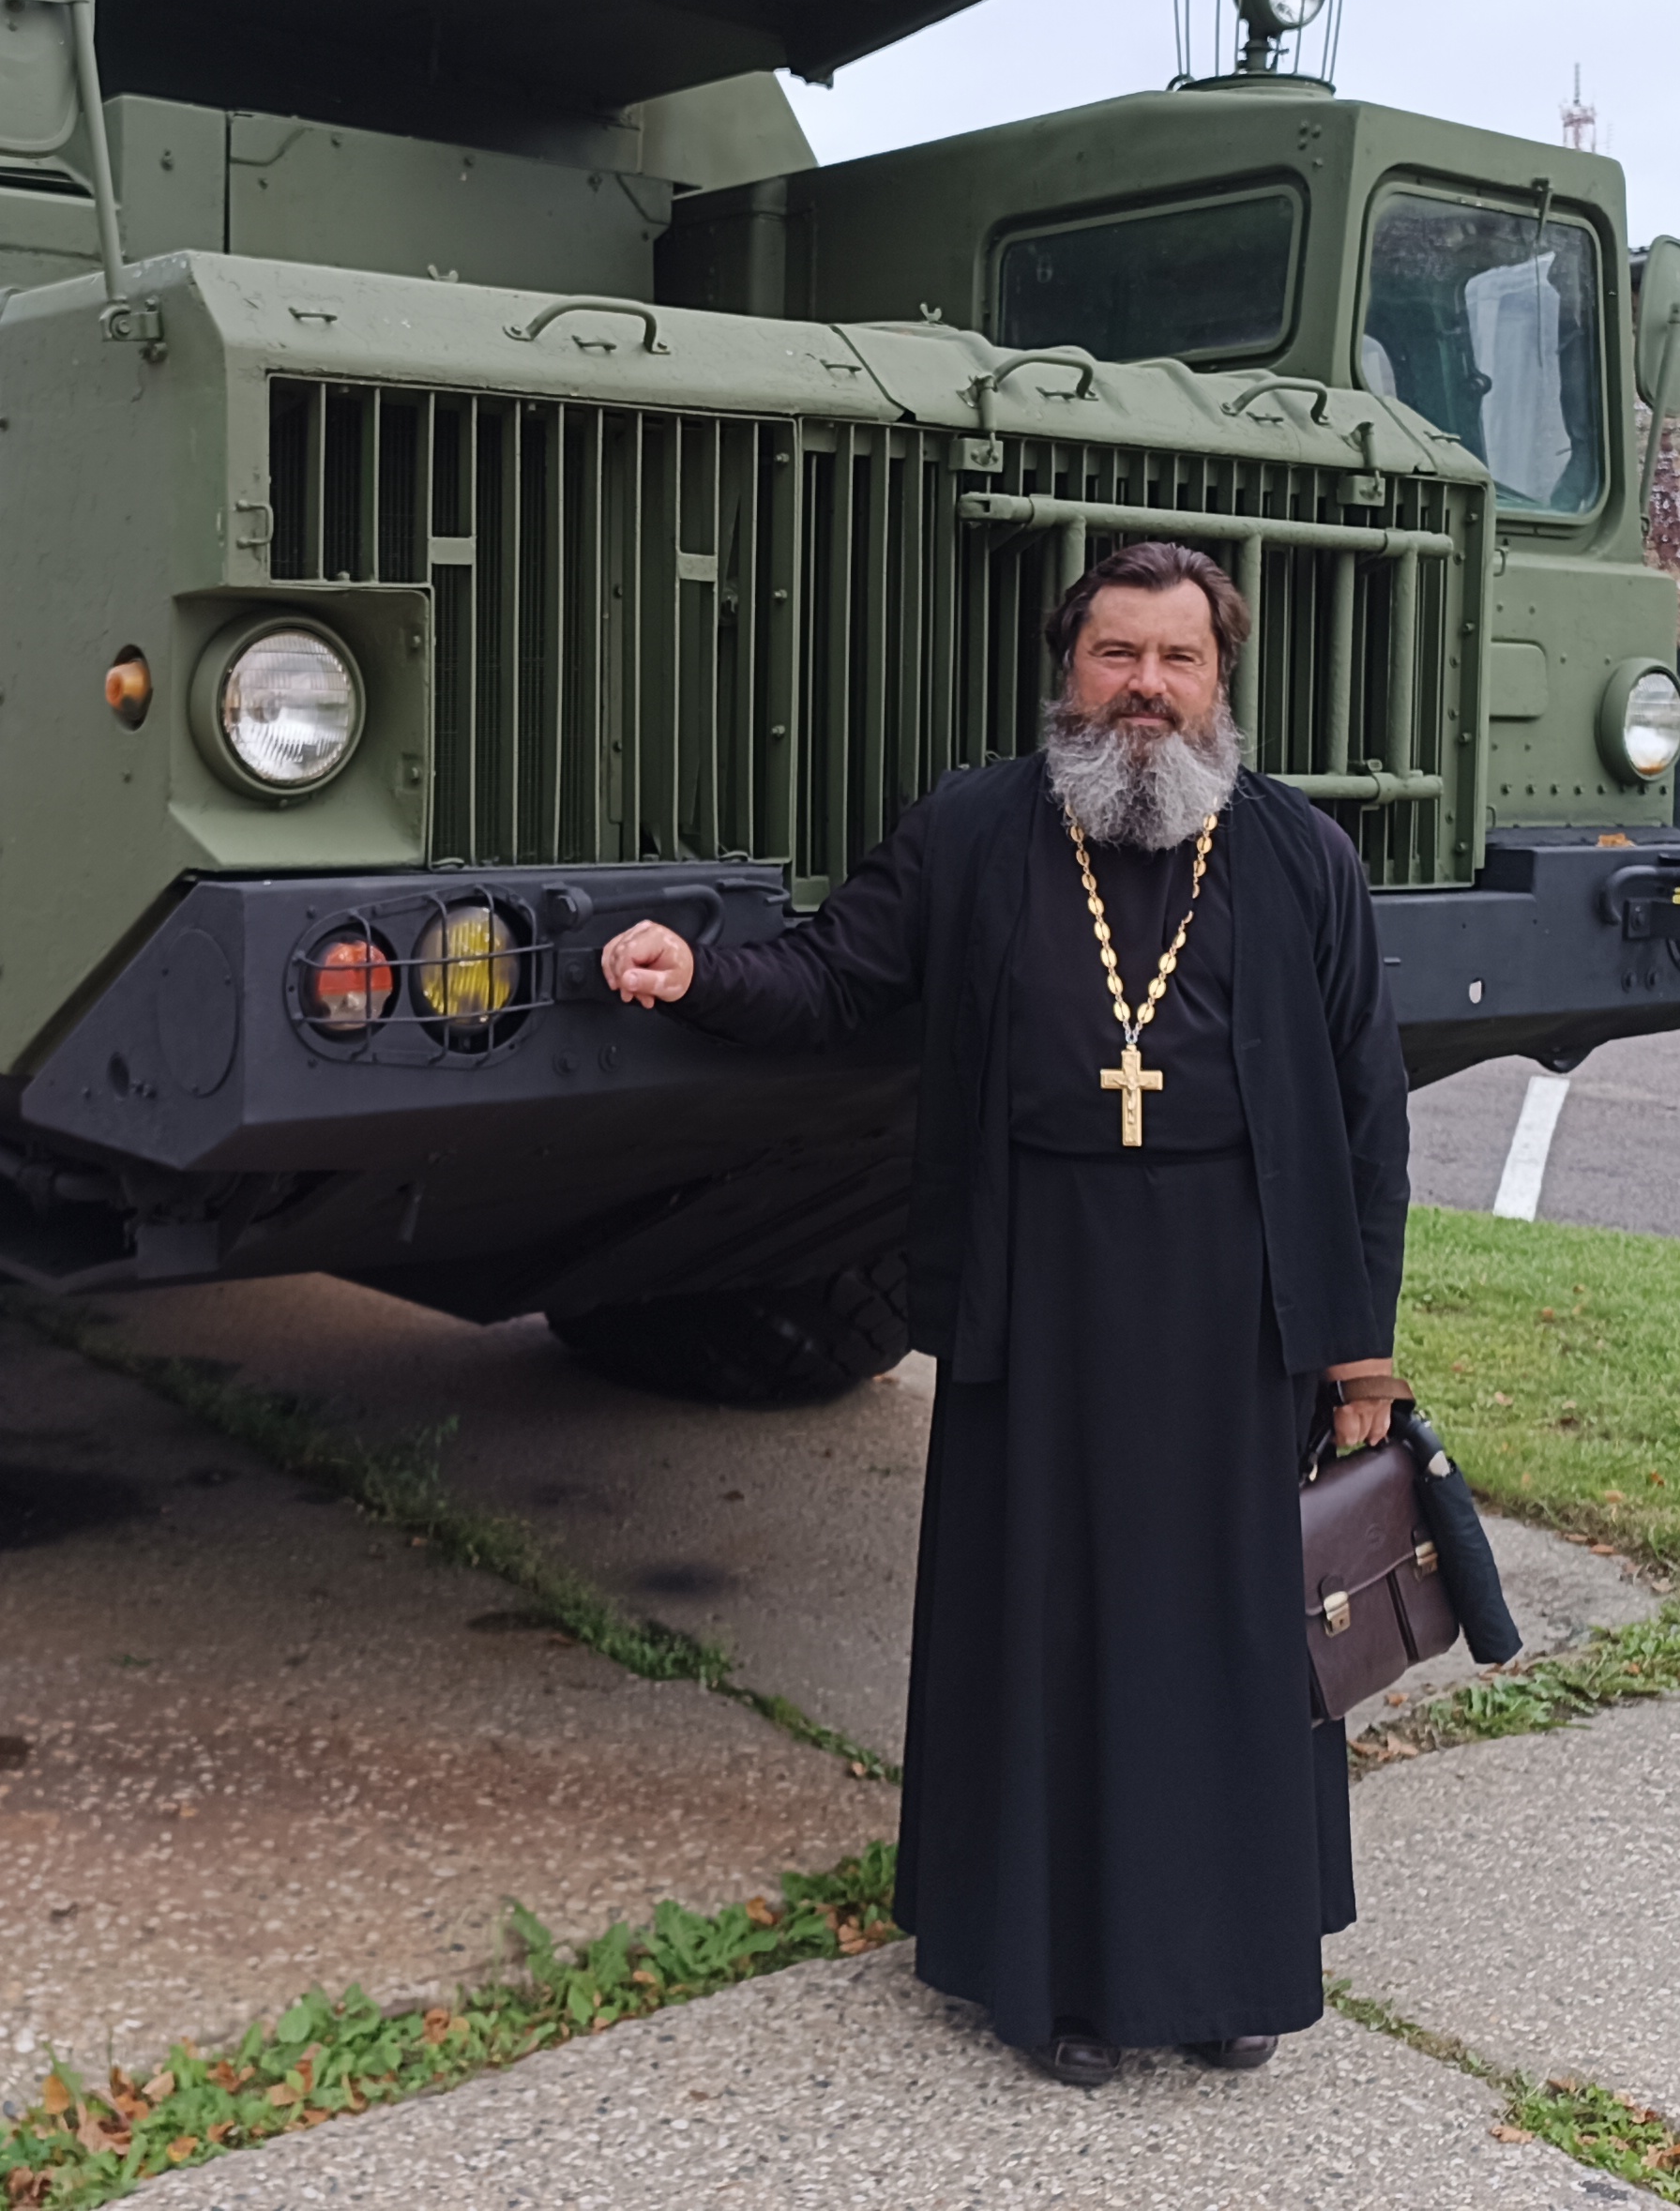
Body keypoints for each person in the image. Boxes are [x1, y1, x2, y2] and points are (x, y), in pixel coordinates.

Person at [599, 538, 1411, 2085]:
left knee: (1229, 1643)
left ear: (1221, 681)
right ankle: (1056, 1983)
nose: (1147, 693)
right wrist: (694, 972)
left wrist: (1358, 1346)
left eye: (1179, 661)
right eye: (1118, 657)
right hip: (1037, 1290)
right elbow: (835, 978)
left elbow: (1369, 1117)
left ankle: (1230, 1971)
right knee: (1048, 1631)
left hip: (1231, 1309)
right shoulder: (980, 829)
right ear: (1071, 671)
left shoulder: (1301, 856)